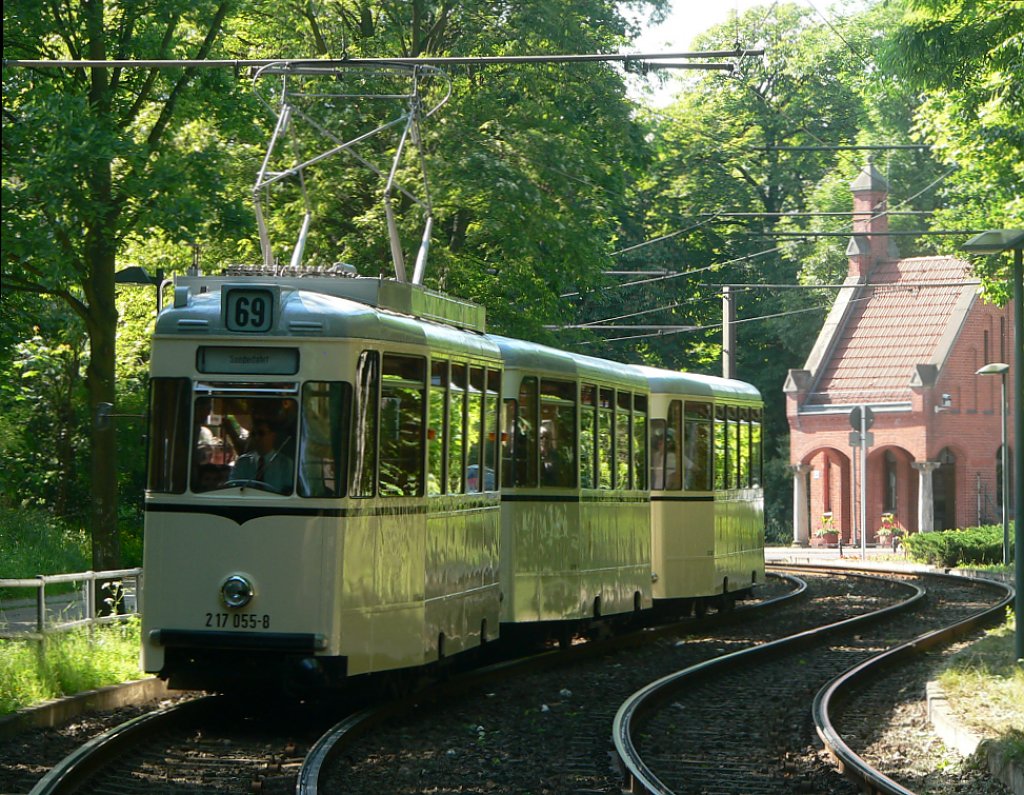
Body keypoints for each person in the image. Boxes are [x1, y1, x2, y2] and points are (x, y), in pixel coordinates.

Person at [231, 419, 294, 493]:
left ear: (272, 436)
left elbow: (287, 491)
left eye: (261, 433)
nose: (256, 438)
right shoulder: (242, 462)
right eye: (253, 434)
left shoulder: (285, 463)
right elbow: (232, 487)